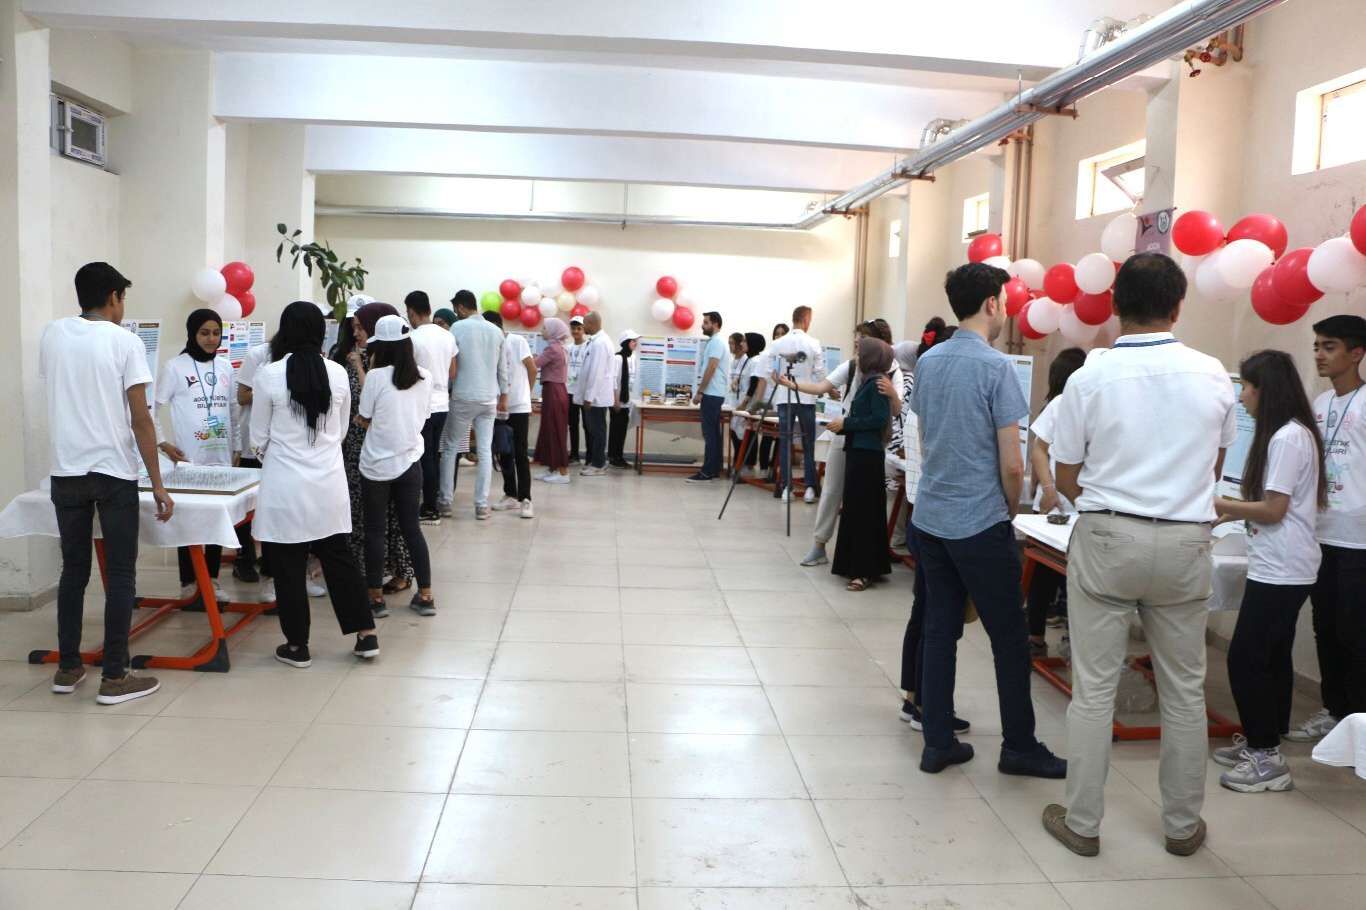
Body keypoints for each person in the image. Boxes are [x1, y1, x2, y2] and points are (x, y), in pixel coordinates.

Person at [1043, 252, 1236, 858]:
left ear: (1115, 306)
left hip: (1109, 535)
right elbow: (1214, 466)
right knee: (1184, 690)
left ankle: (1082, 823)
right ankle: (1181, 826)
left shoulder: (1090, 377)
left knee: (1094, 688)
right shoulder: (1213, 374)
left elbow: (1066, 472)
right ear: (1178, 307)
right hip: (1185, 541)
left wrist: (1107, 505)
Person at [912, 262, 1065, 780]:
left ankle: (937, 743)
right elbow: (1013, 463)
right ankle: (1019, 746)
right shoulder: (996, 368)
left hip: (931, 517)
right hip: (980, 522)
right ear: (993, 304)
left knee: (940, 630)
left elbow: (928, 436)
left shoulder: (929, 361)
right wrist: (1011, 510)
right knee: (1009, 638)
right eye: (1005, 301)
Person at [41, 262, 171, 704]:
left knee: (73, 571)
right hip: (113, 472)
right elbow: (140, 418)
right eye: (122, 298)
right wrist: (157, 483)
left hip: (66, 470)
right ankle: (115, 675)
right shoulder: (124, 341)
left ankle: (68, 668)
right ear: (114, 296)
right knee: (120, 575)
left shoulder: (52, 334)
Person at [1211, 350, 1325, 793]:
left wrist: (1220, 504)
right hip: (1282, 563)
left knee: (1245, 657)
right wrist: (1233, 511)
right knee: (1273, 655)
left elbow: (1275, 510)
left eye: (1247, 387)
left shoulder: (1288, 438)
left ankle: (1266, 758)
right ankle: (1267, 737)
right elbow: (1274, 506)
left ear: (1266, 391)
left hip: (1284, 567)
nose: (1242, 397)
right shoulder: (1290, 434)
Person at [251, 301, 379, 667]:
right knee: (339, 558)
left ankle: (297, 646)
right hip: (328, 482)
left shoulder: (268, 374)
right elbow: (340, 431)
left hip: (284, 484)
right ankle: (366, 635)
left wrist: (281, 456)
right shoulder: (337, 372)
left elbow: (257, 438)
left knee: (287, 565)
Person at [1289, 314, 1366, 742]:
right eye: (1317, 345)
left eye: (1329, 346)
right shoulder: (1320, 405)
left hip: (1359, 538)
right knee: (1326, 626)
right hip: (1320, 534)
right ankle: (1334, 711)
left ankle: (1359, 722)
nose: (1319, 354)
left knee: (1355, 631)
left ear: (1356, 353)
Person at [788, 320, 901, 565]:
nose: (857, 346)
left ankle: (861, 557)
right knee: (832, 490)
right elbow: (822, 386)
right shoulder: (852, 366)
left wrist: (892, 393)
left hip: (867, 441)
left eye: (862, 342)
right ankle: (820, 544)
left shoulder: (891, 371)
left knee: (862, 499)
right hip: (844, 435)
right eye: (856, 342)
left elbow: (891, 412)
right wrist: (792, 384)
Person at [897, 324, 961, 732]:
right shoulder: (930, 408)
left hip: (921, 514)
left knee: (922, 613)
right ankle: (925, 706)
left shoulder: (918, 401)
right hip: (934, 518)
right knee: (935, 619)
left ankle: (913, 699)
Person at [155, 308, 234, 604]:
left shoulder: (225, 367)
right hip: (189, 459)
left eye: (216, 333)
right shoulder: (175, 367)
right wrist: (163, 443)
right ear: (192, 334)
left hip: (222, 457)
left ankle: (211, 578)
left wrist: (237, 447)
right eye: (204, 333)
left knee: (215, 520)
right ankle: (188, 581)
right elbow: (152, 408)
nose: (211, 339)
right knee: (187, 520)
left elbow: (232, 409)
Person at [359, 315, 436, 616]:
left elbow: (364, 416)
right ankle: (426, 596)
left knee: (375, 531)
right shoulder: (425, 377)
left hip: (376, 465)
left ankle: (376, 599)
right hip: (410, 462)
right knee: (411, 529)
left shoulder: (375, 377)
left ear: (382, 347)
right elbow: (423, 417)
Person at [335, 303, 414, 596]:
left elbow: (370, 403)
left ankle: (400, 570)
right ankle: (365, 572)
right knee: (362, 513)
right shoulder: (348, 357)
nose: (356, 333)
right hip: (356, 445)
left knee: (395, 515)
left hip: (387, 445)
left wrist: (359, 366)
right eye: (354, 327)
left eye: (361, 327)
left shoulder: (389, 362)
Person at [1026, 347, 1087, 658]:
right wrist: (1049, 488)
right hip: (1054, 503)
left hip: (1084, 506)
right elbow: (1039, 450)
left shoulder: (1098, 402)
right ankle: (1035, 636)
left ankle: (1073, 641)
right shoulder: (1061, 403)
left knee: (1078, 579)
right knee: (1044, 573)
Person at [826, 337, 894, 591]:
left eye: (859, 352)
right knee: (856, 509)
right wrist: (844, 426)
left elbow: (878, 419)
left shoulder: (876, 383)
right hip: (860, 451)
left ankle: (863, 570)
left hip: (867, 455)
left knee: (863, 511)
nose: (856, 357)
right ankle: (857, 565)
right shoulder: (870, 381)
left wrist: (846, 423)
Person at [442, 292, 509, 519]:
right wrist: (504, 395)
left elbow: (451, 364)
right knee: (484, 450)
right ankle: (481, 505)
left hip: (463, 395)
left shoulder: (457, 328)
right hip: (489, 397)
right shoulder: (496, 331)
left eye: (456, 310)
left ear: (461, 307)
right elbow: (503, 368)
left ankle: (445, 501)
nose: (456, 314)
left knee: (451, 448)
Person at [404, 291, 457, 523]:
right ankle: (431, 503)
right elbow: (452, 372)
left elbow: (408, 373)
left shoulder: (413, 338)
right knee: (433, 455)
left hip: (422, 405)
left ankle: (429, 508)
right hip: (442, 404)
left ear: (411, 312)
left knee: (423, 457)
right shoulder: (447, 336)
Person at [767, 307, 825, 500]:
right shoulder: (814, 343)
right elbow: (820, 373)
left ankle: (786, 488)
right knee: (808, 443)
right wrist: (828, 389)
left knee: (785, 442)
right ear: (806, 320)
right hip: (806, 398)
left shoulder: (778, 343)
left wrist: (779, 379)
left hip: (784, 398)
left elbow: (771, 372)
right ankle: (810, 488)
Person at [487, 311, 536, 518]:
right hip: (498, 407)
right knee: (504, 451)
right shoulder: (489, 345)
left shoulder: (517, 341)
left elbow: (532, 369)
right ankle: (510, 494)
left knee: (520, 453)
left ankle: (526, 499)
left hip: (519, 406)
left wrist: (526, 394)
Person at [234, 339, 273, 596]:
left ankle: (269, 563)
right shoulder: (258, 354)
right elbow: (242, 396)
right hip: (253, 442)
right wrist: (271, 392)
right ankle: (244, 558)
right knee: (247, 505)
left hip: (277, 445)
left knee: (270, 507)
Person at [436, 290, 476, 513]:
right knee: (439, 451)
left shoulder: (458, 343)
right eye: (435, 323)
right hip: (440, 405)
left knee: (454, 450)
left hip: (458, 402)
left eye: (442, 323)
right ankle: (438, 491)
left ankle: (447, 493)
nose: (438, 327)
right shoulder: (435, 346)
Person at [687, 312, 731, 483]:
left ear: (715, 324)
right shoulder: (715, 342)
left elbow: (711, 367)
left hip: (711, 394)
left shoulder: (717, 342)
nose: (702, 325)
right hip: (714, 393)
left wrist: (700, 392)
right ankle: (713, 469)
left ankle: (707, 471)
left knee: (710, 434)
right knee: (713, 434)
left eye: (706, 322)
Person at [575, 311, 615, 476]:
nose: (583, 327)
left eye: (584, 324)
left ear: (591, 324)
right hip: (595, 396)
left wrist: (589, 397)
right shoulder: (595, 341)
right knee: (595, 430)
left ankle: (598, 465)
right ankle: (596, 461)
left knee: (598, 431)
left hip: (597, 397)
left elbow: (597, 373)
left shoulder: (600, 343)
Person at [534, 317, 572, 484]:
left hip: (553, 392)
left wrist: (526, 356)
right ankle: (552, 468)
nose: (542, 331)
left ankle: (562, 473)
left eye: (544, 328)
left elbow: (535, 364)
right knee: (550, 430)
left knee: (555, 431)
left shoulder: (552, 349)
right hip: (557, 391)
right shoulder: (560, 348)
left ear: (553, 331)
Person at [732, 332, 768, 475]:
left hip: (749, 405)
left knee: (747, 434)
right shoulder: (750, 360)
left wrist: (744, 403)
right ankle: (740, 464)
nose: (741, 344)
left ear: (753, 343)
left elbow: (754, 385)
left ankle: (747, 465)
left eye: (745, 341)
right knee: (739, 433)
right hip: (744, 403)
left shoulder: (756, 361)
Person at [757, 323, 789, 475]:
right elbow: (762, 381)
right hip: (768, 402)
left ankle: (773, 469)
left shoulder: (790, 356)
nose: (779, 336)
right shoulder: (766, 355)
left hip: (784, 400)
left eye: (783, 334)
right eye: (777, 334)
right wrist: (757, 404)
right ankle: (764, 468)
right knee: (767, 435)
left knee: (782, 438)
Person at [609, 329, 640, 468]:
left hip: (627, 402)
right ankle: (614, 457)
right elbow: (613, 380)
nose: (635, 343)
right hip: (617, 401)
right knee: (615, 430)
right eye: (633, 341)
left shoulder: (632, 358)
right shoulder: (617, 358)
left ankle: (619, 456)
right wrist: (615, 401)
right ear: (626, 342)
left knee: (622, 431)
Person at [567, 315, 591, 464]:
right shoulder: (567, 348)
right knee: (572, 425)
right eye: (573, 328)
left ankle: (590, 457)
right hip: (569, 391)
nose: (575, 331)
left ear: (583, 329)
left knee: (588, 425)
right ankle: (574, 455)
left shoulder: (589, 347)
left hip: (584, 392)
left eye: (579, 328)